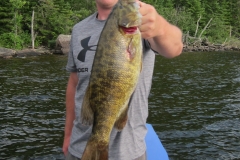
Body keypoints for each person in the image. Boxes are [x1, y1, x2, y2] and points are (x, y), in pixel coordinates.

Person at [62, 0, 183, 159]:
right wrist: (68, 134)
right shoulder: (79, 29)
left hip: (129, 152)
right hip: (78, 148)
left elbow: (175, 48)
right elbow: (74, 83)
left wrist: (160, 26)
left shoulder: (143, 24)